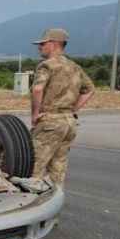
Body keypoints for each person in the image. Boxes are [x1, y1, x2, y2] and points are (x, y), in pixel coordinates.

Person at [30, 28, 95, 187]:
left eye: (43, 44)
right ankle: (55, 197)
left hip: (50, 122)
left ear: (53, 44)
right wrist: (73, 110)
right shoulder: (75, 67)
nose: (39, 47)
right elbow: (90, 90)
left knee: (34, 165)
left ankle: (30, 204)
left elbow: (37, 89)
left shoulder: (46, 66)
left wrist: (35, 114)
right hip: (69, 123)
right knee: (58, 166)